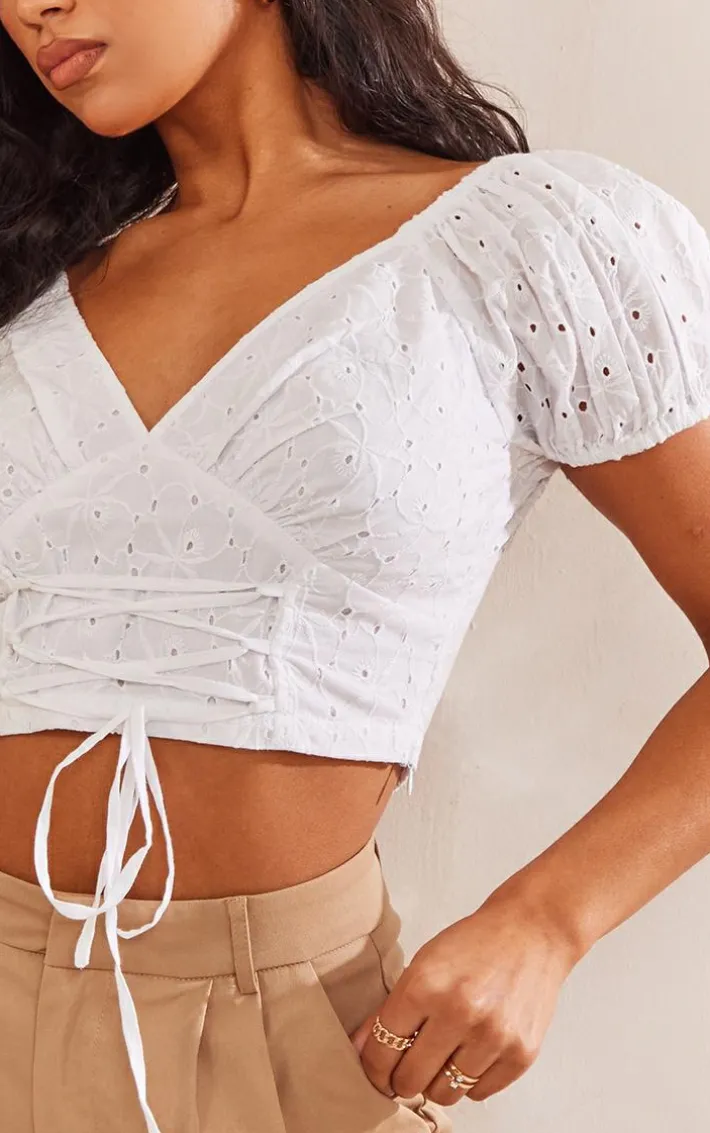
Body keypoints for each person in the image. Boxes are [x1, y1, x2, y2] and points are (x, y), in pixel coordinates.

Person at [1, 1, 710, 1131]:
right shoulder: (31, 274)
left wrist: (547, 920)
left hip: (292, 1034)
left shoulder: (518, 242)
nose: (30, 6)